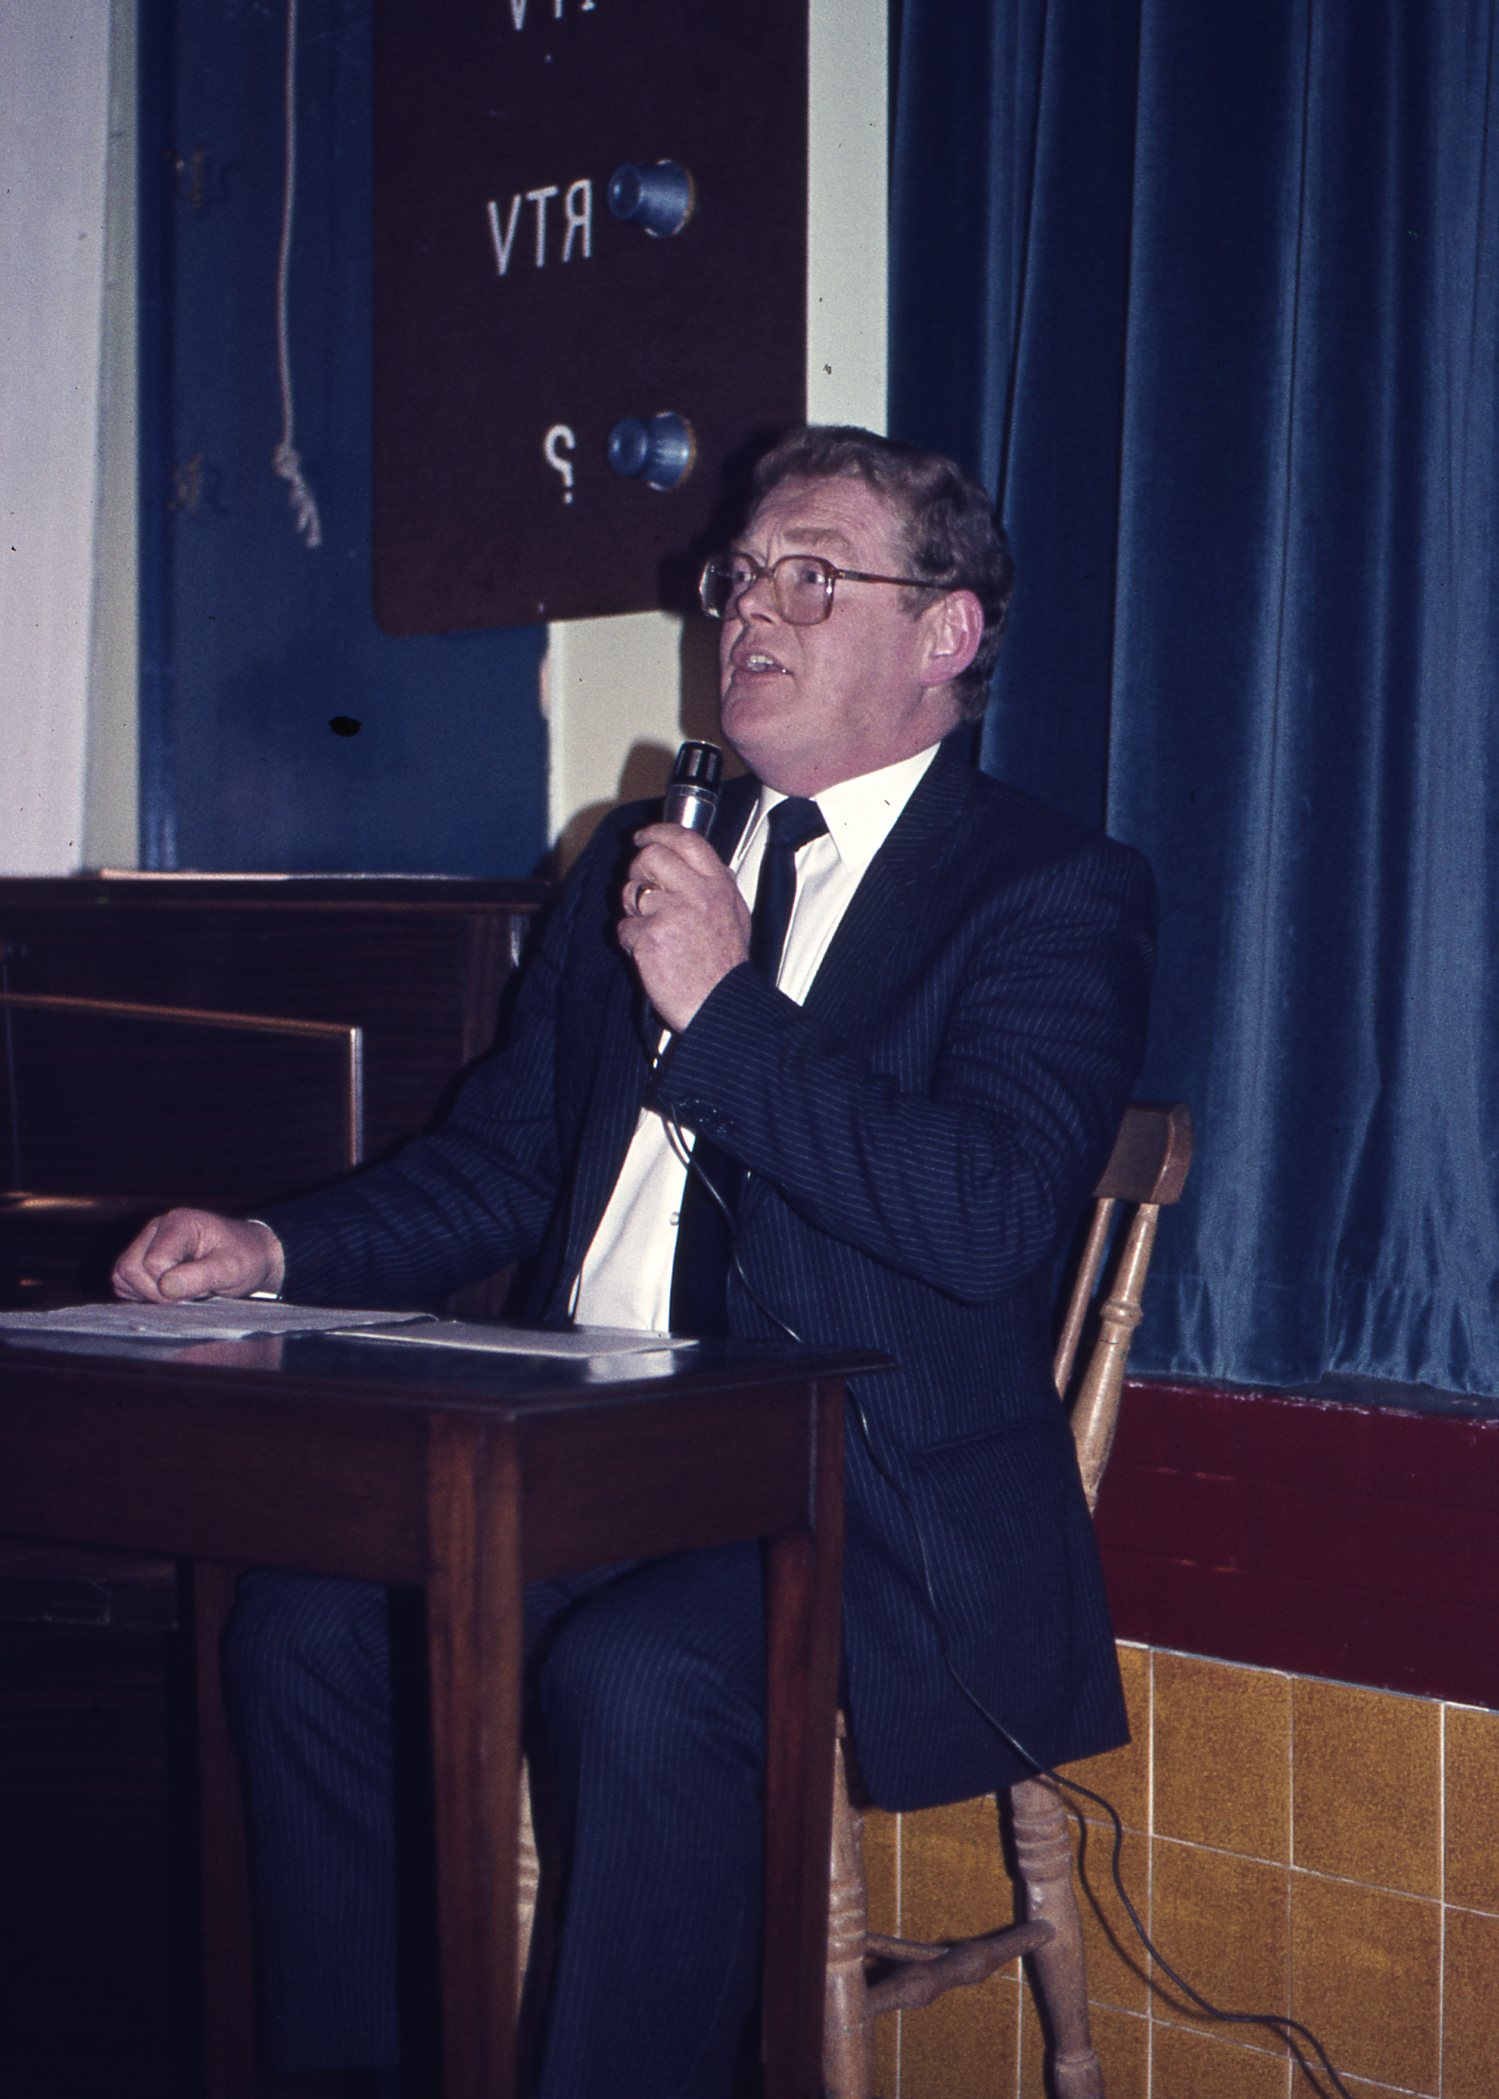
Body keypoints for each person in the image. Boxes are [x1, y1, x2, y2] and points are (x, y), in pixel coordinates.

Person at [114, 426, 1156, 2098]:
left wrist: (725, 1007)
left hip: (851, 1496)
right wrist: (273, 1243)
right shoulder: (646, 851)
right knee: (304, 1629)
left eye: (812, 577)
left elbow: (985, 1219)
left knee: (642, 1679)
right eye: (739, 575)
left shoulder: (1047, 890)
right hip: (584, 1450)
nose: (748, 610)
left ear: (946, 632)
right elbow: (505, 1163)